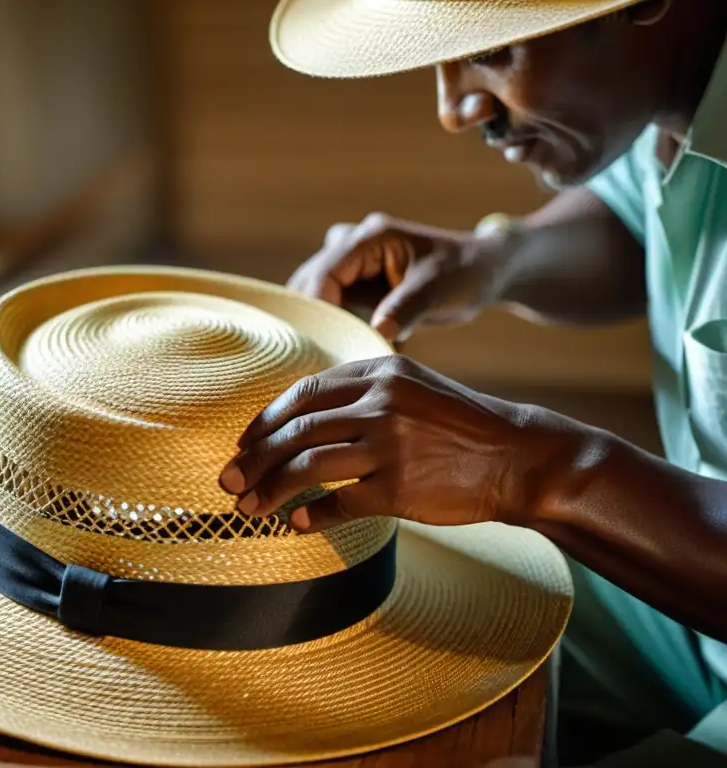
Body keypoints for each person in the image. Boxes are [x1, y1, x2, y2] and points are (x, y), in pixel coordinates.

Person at [218, 1, 727, 765]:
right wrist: (490, 262)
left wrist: (528, 465)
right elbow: (648, 221)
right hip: (696, 624)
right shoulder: (672, 88)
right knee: (398, 567)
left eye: (496, 52)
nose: (454, 109)